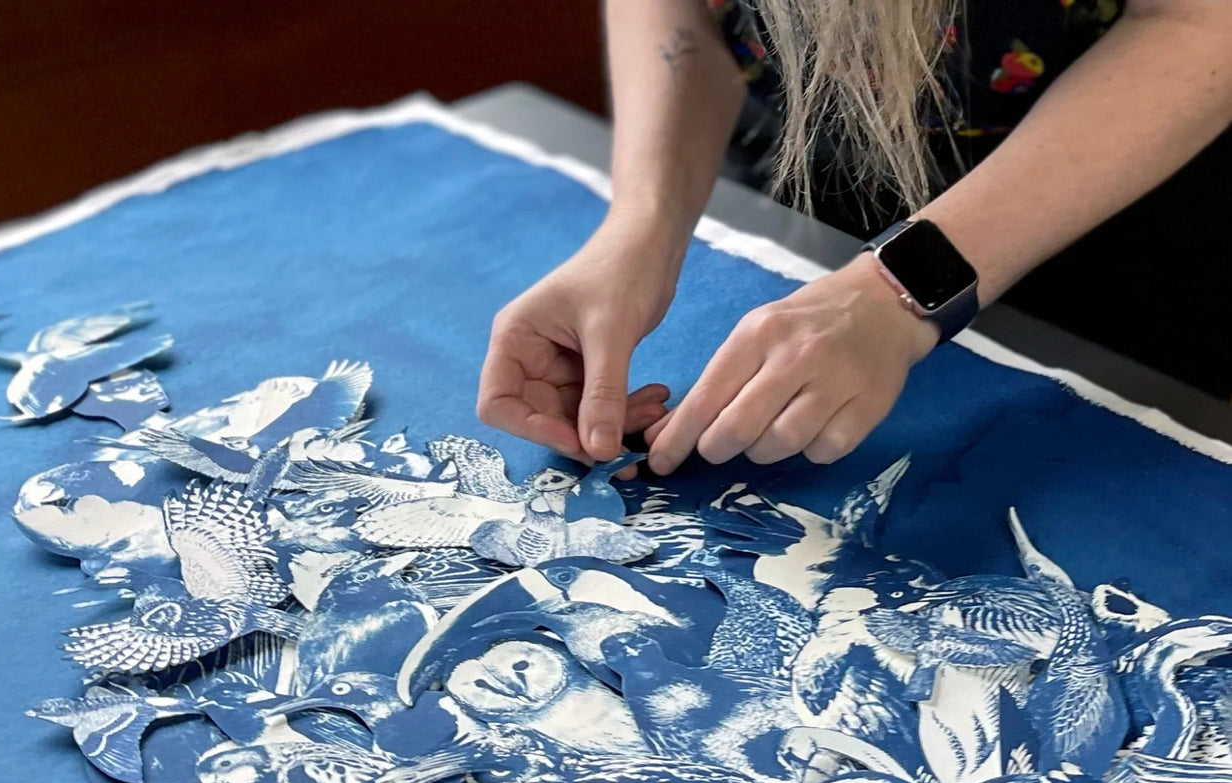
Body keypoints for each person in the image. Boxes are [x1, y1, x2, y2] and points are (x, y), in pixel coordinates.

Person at [476, 0, 1232, 476]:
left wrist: (896, 292)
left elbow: (1197, 21)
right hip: (805, 181)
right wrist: (640, 225)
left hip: (1116, 201)